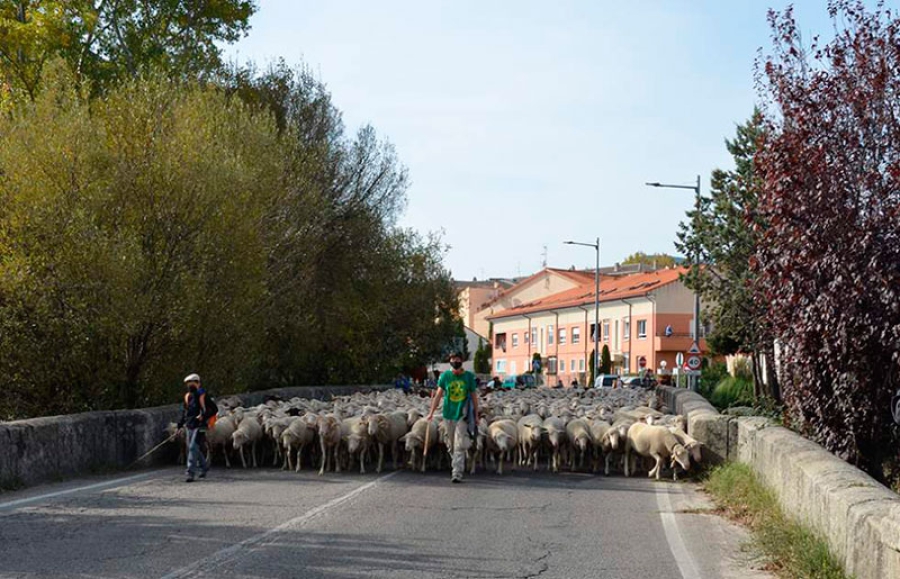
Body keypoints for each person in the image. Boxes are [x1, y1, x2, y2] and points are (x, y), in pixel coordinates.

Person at [426, 352, 479, 483]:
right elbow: (438, 395)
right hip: (448, 413)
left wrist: (476, 414)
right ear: (450, 361)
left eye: (458, 359)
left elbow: (473, 396)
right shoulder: (445, 376)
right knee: (450, 444)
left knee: (460, 444)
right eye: (453, 359)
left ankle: (457, 472)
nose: (455, 361)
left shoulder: (468, 377)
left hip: (462, 414)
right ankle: (456, 461)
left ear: (462, 361)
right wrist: (431, 412)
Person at [177, 373, 209, 483]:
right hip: (190, 425)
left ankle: (190, 473)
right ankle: (204, 467)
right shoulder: (187, 396)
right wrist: (180, 423)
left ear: (197, 383)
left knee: (192, 448)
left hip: (200, 425)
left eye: (192, 382)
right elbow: (185, 411)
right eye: (188, 383)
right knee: (193, 448)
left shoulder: (202, 394)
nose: (189, 385)